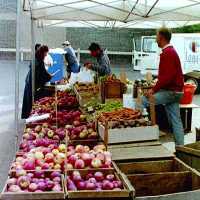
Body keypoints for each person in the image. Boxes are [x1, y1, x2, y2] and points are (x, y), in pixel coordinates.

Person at [141, 27, 184, 145]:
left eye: (156, 36)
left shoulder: (168, 53)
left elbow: (167, 77)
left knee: (142, 101)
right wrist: (157, 85)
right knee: (176, 120)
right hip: (176, 92)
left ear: (161, 37)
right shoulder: (171, 52)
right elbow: (168, 76)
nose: (156, 39)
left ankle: (142, 134)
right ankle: (181, 148)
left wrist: (153, 90)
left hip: (172, 92)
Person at [21, 45, 52, 119]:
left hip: (29, 81)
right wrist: (49, 76)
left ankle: (27, 115)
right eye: (45, 53)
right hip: (32, 83)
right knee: (31, 101)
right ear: (42, 52)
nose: (46, 55)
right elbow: (41, 74)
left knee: (28, 101)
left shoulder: (36, 58)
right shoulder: (39, 61)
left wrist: (47, 75)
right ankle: (31, 117)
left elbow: (42, 71)